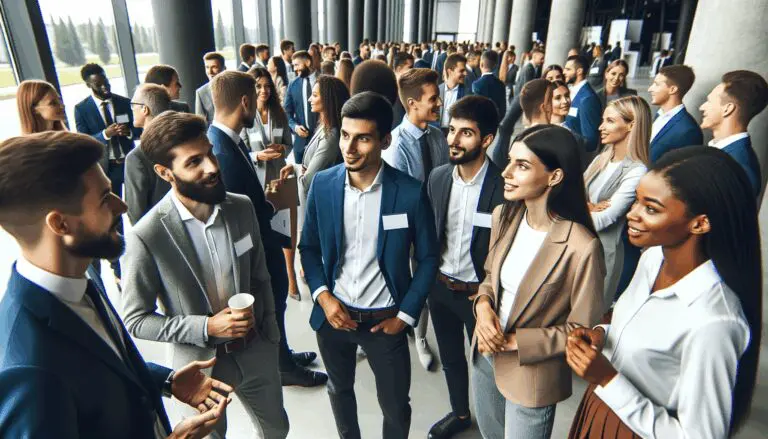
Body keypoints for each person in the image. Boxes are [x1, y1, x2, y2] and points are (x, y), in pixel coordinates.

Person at [0, 131, 232, 438]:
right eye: (105, 198)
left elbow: (95, 366)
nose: (122, 207)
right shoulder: (30, 372)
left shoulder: (79, 278)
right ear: (60, 224)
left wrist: (167, 380)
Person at [567, 146, 761, 439]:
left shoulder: (714, 321)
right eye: (637, 202)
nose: (631, 214)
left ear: (700, 223)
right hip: (600, 407)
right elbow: (639, 328)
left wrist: (607, 379)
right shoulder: (652, 257)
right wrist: (603, 334)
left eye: (651, 208)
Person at [121, 111, 290, 439]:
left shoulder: (240, 207)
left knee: (277, 429)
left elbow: (259, 276)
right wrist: (206, 327)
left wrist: (271, 334)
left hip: (256, 351)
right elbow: (136, 319)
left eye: (210, 153)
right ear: (164, 172)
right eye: (194, 161)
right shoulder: (148, 235)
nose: (212, 167)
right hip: (202, 366)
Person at [298, 92, 439, 439]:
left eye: (362, 138)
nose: (350, 148)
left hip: (384, 323)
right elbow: (309, 247)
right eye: (346, 135)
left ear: (384, 140)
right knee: (339, 390)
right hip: (334, 318)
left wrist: (405, 316)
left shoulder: (408, 192)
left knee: (394, 405)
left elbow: (428, 257)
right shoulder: (323, 184)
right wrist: (323, 297)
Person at [472, 124, 605, 439]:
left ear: (555, 176)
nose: (506, 172)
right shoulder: (503, 215)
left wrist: (516, 341)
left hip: (532, 374)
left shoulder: (582, 246)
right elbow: (490, 278)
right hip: (484, 356)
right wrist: (483, 309)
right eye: (509, 161)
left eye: (521, 165)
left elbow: (581, 330)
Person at [207, 71, 327, 387]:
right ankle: (282, 367)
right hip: (256, 251)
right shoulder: (220, 151)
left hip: (263, 241)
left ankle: (283, 356)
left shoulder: (224, 142)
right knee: (270, 308)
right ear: (245, 101)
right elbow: (233, 220)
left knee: (276, 307)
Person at [426, 96, 504, 439]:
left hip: (481, 298)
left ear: (487, 139)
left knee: (490, 370)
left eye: (466, 133)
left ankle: (494, 429)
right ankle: (459, 413)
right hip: (441, 288)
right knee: (452, 359)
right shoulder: (439, 177)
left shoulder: (504, 189)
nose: (453, 141)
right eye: (452, 130)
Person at [584, 96, 650, 305]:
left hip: (602, 259)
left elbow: (605, 219)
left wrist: (577, 209)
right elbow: (572, 194)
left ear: (632, 125)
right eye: (603, 120)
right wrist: (589, 207)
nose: (601, 127)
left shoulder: (638, 170)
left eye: (610, 121)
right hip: (578, 250)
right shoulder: (600, 159)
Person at [242, 67, 298, 300]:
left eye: (267, 86)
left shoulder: (279, 113)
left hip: (281, 179)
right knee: (265, 231)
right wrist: (257, 156)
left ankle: (291, 276)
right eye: (258, 86)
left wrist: (282, 148)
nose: (263, 90)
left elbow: (289, 143)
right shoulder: (245, 116)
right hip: (257, 182)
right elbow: (242, 149)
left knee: (287, 228)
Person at [280, 74, 348, 207]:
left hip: (319, 204)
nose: (310, 99)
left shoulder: (331, 135)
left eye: (315, 95)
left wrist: (301, 170)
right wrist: (297, 168)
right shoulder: (324, 126)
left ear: (328, 100)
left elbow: (307, 182)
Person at [700, 70, 768, 197]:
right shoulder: (721, 152)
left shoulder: (740, 170)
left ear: (728, 109)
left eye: (709, 101)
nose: (702, 107)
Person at [124, 84, 172, 225]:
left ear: (144, 109)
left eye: (133, 105)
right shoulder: (182, 143)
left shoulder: (136, 157)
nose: (131, 109)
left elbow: (135, 212)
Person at [648, 65, 703, 162]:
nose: (650, 89)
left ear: (672, 89)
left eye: (656, 84)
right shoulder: (659, 115)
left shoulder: (688, 131)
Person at [563, 55, 602, 158]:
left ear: (579, 71)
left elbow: (590, 140)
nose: (564, 72)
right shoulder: (570, 91)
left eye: (568, 69)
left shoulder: (587, 98)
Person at [284, 50, 318, 163]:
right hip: (300, 142)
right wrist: (295, 127)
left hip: (321, 140)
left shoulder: (324, 81)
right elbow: (287, 112)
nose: (294, 69)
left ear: (308, 62)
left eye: (297, 65)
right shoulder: (293, 85)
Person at [439, 54, 470, 130]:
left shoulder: (468, 94)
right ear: (450, 72)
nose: (466, 73)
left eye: (465, 70)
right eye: (462, 71)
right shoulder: (437, 90)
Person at [472, 51, 506, 117]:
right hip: (495, 121)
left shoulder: (476, 84)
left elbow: (475, 109)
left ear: (481, 64)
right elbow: (503, 109)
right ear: (496, 66)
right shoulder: (501, 84)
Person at [195, 51, 226, 124]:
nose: (210, 71)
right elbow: (200, 123)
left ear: (223, 68)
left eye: (214, 67)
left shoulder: (235, 87)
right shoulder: (201, 92)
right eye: (207, 67)